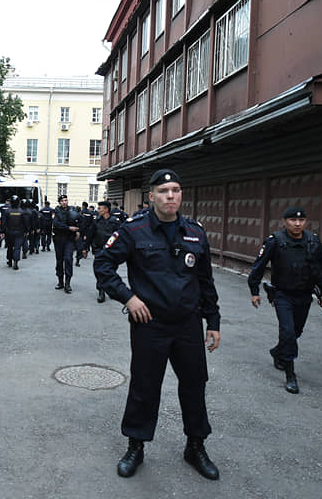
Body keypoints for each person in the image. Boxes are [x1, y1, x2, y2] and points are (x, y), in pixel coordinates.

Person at [93, 168, 221, 481]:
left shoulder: (195, 232)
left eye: (176, 190)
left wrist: (213, 321)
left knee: (194, 385)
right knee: (144, 386)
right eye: (164, 192)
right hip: (149, 323)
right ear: (151, 196)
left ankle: (196, 445)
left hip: (188, 323)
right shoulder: (133, 230)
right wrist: (128, 298)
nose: (171, 196)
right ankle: (135, 445)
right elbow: (103, 264)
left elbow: (205, 280)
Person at [247, 207, 322, 394]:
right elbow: (258, 267)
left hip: (305, 295)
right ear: (284, 222)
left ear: (305, 222)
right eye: (292, 220)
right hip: (283, 294)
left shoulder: (313, 240)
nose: (297, 223)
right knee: (289, 332)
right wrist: (254, 291)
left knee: (296, 331)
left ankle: (278, 352)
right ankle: (290, 375)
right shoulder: (275, 241)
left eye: (301, 220)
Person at [85, 201, 119, 302]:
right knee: (98, 270)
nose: (98, 210)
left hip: (111, 251)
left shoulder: (115, 221)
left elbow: (119, 235)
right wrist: (84, 248)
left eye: (100, 208)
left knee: (109, 270)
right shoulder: (96, 221)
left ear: (106, 210)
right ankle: (101, 289)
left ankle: (105, 288)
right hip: (99, 249)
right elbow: (90, 234)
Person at [52, 195, 80, 293]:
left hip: (69, 239)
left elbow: (78, 221)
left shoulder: (72, 210)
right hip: (59, 239)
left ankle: (67, 283)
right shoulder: (56, 211)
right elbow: (56, 224)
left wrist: (78, 231)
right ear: (59, 202)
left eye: (66, 200)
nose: (65, 202)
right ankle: (60, 281)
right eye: (63, 201)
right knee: (59, 260)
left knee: (68, 259)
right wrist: (68, 228)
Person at [0, 195, 28, 270]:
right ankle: (15, 262)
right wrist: (26, 231)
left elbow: (3, 223)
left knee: (9, 247)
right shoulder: (21, 212)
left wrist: (2, 231)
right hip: (19, 232)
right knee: (17, 248)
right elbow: (25, 223)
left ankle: (9, 261)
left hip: (9, 232)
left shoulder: (7, 211)